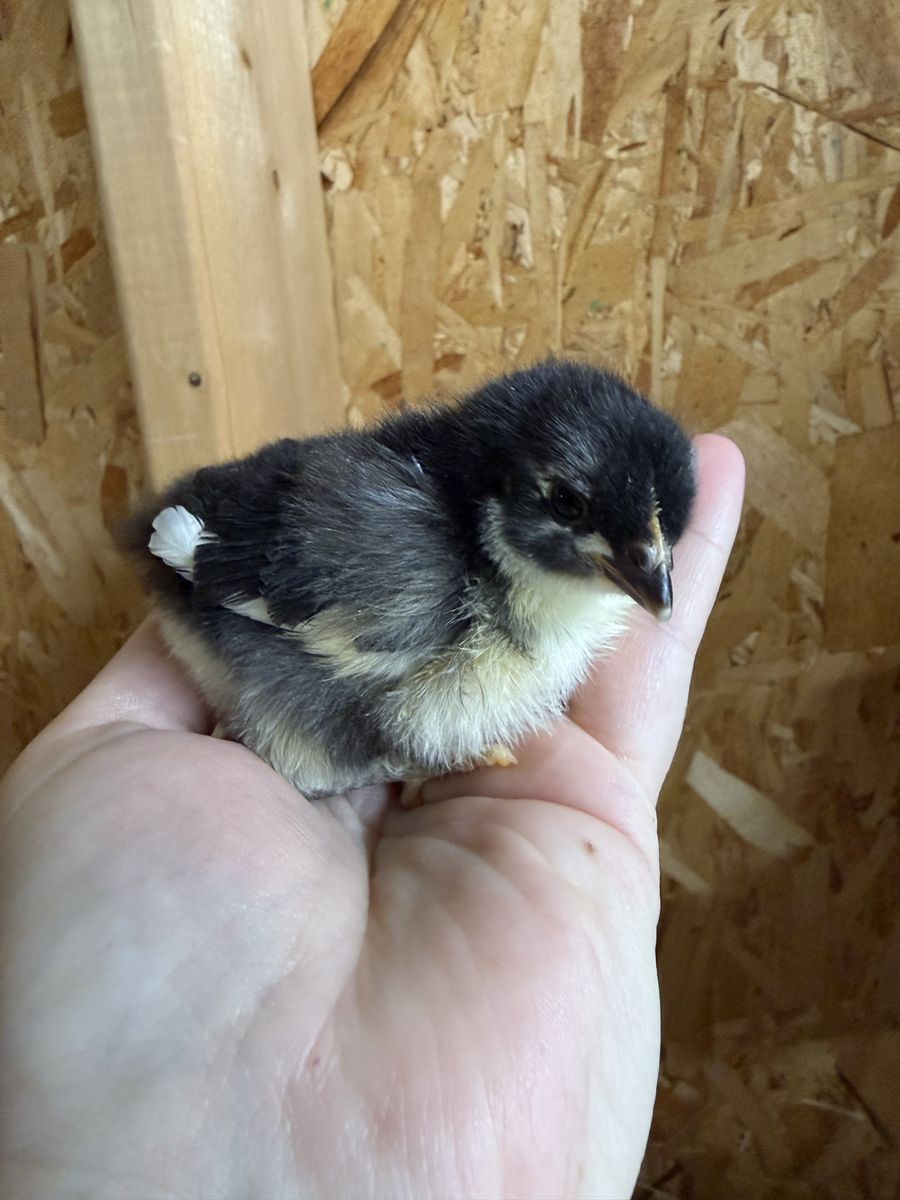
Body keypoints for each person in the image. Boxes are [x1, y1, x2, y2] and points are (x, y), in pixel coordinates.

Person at [0, 436, 744, 1200]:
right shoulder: (409, 570)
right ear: (504, 494)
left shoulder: (529, 604)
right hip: (230, 592)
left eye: (651, 546)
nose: (647, 575)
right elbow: (192, 550)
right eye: (572, 509)